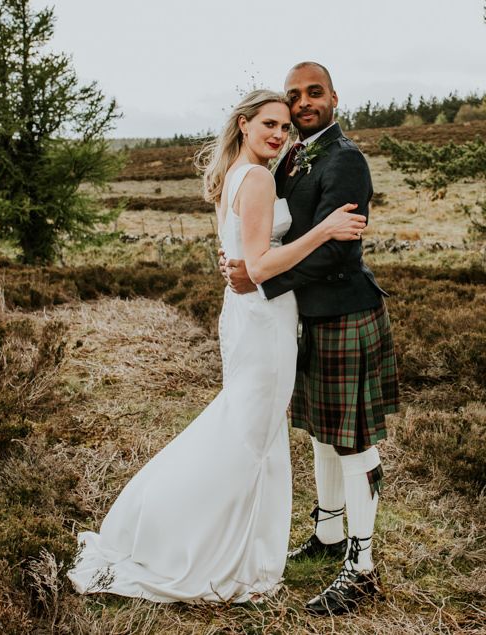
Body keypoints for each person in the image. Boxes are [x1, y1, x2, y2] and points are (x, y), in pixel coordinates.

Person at [67, 89, 367, 603]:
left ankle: (227, 543)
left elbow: (237, 258)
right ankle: (208, 552)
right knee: (249, 437)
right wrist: (325, 229)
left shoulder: (238, 173)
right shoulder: (253, 180)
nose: (278, 134)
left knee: (249, 428)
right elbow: (257, 266)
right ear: (244, 125)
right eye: (268, 124)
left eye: (284, 128)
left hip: (252, 316)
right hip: (264, 320)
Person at [221, 62, 400, 615]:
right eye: (294, 95)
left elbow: (336, 248)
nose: (302, 103)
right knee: (323, 432)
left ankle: (362, 567)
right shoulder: (295, 154)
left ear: (334, 98)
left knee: (352, 439)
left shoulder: (345, 158)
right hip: (310, 316)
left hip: (347, 313)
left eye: (313, 93)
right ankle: (327, 534)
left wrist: (261, 276)